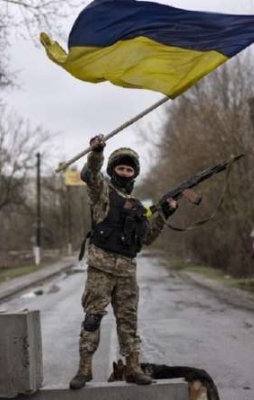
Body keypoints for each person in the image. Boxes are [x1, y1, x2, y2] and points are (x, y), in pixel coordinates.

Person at [69, 135, 177, 390]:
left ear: (135, 174)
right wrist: (96, 152)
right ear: (113, 170)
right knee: (93, 318)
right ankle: (84, 368)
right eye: (121, 168)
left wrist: (164, 214)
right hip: (101, 268)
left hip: (127, 271)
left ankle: (133, 367)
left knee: (129, 321)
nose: (125, 173)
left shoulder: (140, 207)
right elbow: (89, 175)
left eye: (129, 169)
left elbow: (147, 237)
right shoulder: (102, 192)